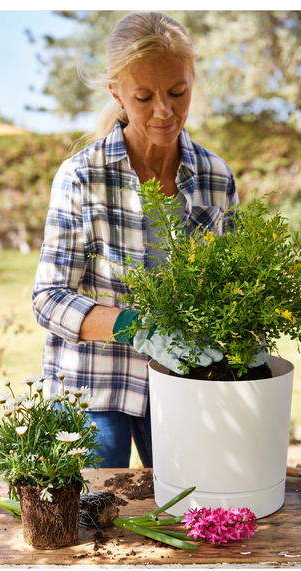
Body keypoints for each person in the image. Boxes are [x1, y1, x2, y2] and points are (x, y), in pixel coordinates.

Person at [32, 11, 239, 468]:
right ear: (117, 93)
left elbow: (233, 288)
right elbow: (48, 299)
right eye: (144, 97)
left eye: (178, 93)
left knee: (190, 518)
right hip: (92, 387)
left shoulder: (214, 178)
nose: (164, 111)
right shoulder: (83, 176)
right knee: (90, 527)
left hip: (182, 385)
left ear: (192, 82)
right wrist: (139, 328)